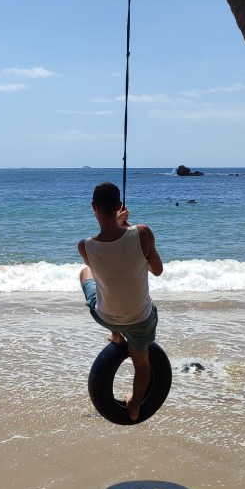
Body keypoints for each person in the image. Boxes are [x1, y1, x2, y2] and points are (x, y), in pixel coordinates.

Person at [78, 181, 164, 422]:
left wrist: (118, 225)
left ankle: (116, 334)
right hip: (140, 319)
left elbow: (108, 255)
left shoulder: (85, 246)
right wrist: (129, 232)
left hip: (106, 316)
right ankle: (135, 405)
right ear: (119, 206)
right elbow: (157, 271)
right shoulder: (143, 233)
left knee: (86, 273)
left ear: (93, 206)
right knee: (141, 361)